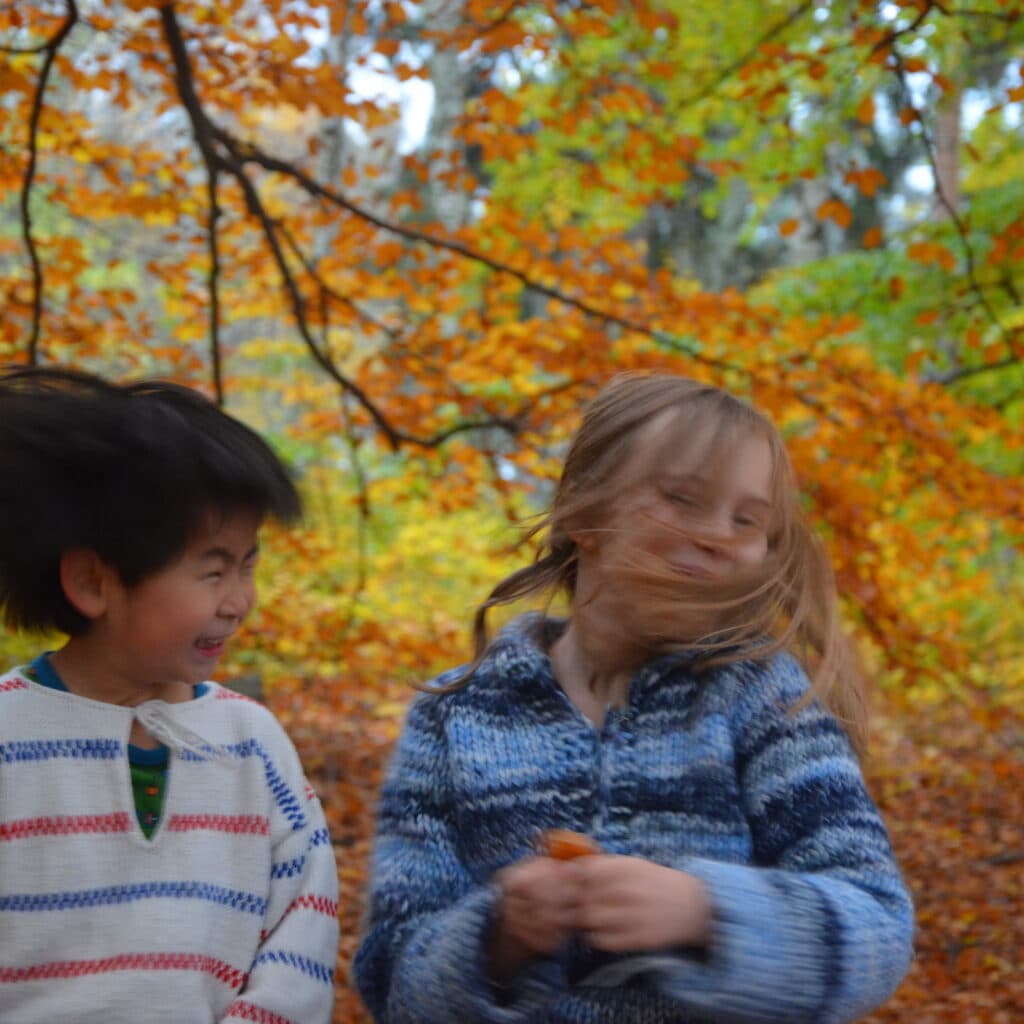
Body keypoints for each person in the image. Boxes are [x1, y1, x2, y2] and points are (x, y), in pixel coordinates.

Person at [353, 373, 914, 1023]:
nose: (718, 536)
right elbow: (395, 984)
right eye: (682, 499)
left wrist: (706, 910)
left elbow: (876, 926)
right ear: (585, 514)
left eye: (748, 520)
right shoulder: (455, 714)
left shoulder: (763, 696)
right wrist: (498, 936)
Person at [0, 367, 339, 1023]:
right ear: (93, 582)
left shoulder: (252, 744)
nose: (239, 602)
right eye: (212, 571)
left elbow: (304, 921)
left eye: (248, 565)